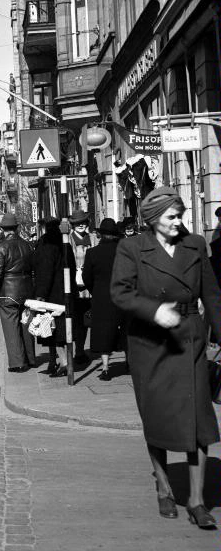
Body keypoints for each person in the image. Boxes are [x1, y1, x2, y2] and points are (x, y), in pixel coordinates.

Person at [110, 187, 221, 529]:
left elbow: (212, 293)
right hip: (150, 342)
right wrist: (155, 310)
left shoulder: (195, 245)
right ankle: (163, 485)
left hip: (189, 338)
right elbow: (120, 292)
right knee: (157, 417)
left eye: (180, 215)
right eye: (171, 217)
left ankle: (197, 500)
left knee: (197, 418)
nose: (178, 222)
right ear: (153, 219)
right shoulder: (131, 248)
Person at [0, 213, 35, 372]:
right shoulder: (27, 245)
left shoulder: (2, 247)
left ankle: (18, 362)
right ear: (17, 228)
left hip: (8, 293)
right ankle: (31, 358)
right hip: (26, 290)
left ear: (3, 230)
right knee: (26, 325)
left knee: (11, 328)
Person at [32, 218, 77, 377]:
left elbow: (45, 272)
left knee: (53, 331)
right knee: (58, 330)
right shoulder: (65, 244)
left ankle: (64, 362)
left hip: (52, 295)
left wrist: (41, 295)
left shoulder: (47, 246)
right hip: (66, 292)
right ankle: (53, 361)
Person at [82, 218, 125, 381]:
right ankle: (128, 361)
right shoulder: (123, 251)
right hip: (122, 294)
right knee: (124, 329)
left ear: (100, 235)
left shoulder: (92, 253)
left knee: (103, 332)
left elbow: (86, 277)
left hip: (101, 297)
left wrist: (96, 290)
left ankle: (106, 367)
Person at [67, 210, 92, 368]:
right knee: (75, 320)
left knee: (86, 320)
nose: (81, 225)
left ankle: (81, 350)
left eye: (84, 222)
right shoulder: (68, 240)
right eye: (78, 223)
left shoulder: (93, 238)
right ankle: (76, 351)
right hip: (73, 288)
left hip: (89, 288)